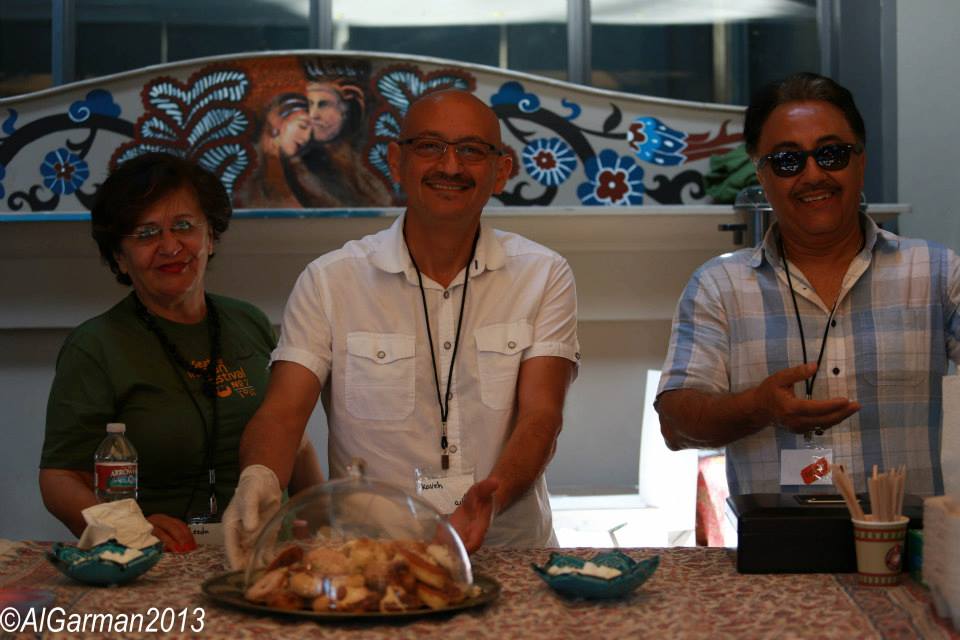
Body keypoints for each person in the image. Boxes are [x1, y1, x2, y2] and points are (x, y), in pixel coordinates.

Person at [224, 89, 580, 569]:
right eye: (430, 146)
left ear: (502, 171)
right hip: (366, 560)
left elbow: (542, 416)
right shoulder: (330, 280)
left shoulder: (544, 273)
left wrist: (490, 498)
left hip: (508, 551)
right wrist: (260, 477)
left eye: (471, 150)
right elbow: (284, 413)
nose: (450, 167)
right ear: (396, 160)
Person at [656, 72, 959, 497]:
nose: (813, 174)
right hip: (779, 551)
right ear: (761, 174)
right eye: (787, 161)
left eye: (831, 153)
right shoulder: (719, 286)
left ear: (861, 160)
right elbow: (675, 425)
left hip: (906, 549)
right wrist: (759, 407)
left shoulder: (937, 272)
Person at [39, 153, 322, 551]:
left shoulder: (250, 322)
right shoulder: (94, 346)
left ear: (210, 237)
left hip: (268, 551)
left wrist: (324, 525)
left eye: (184, 226)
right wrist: (125, 530)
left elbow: (296, 439)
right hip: (162, 558)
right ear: (119, 256)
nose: (170, 246)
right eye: (146, 233)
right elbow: (60, 476)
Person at [232, 93, 312, 209]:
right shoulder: (242, 161)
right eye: (303, 126)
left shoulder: (294, 168)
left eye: (311, 133)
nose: (306, 138)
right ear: (276, 120)